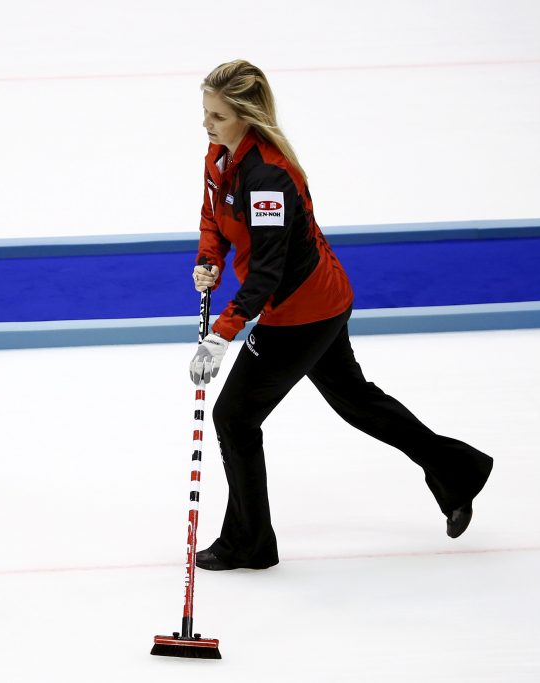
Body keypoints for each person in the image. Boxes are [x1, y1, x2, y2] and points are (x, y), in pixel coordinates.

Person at [188, 60, 493, 571]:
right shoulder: (221, 155)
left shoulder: (268, 177)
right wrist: (208, 259)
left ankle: (250, 542)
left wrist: (221, 336)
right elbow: (211, 216)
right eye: (205, 113)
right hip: (320, 297)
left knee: (235, 418)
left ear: (245, 115)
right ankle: (456, 467)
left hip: (302, 311)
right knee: (357, 401)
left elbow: (268, 273)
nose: (207, 125)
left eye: (216, 116)